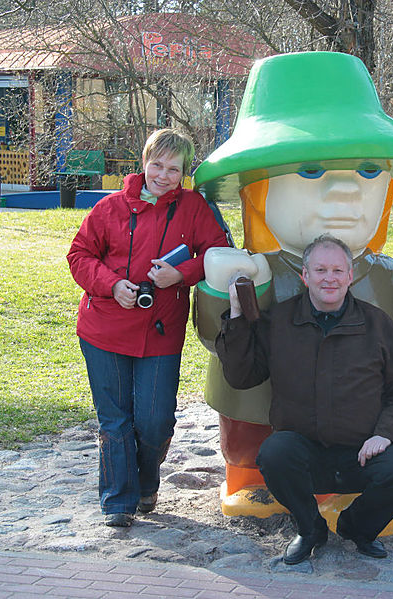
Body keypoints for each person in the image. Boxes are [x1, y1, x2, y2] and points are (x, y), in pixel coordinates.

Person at [190, 51, 393, 517]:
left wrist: (392, 422)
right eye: (309, 172)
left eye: (367, 172)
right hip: (275, 412)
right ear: (257, 190)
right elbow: (220, 345)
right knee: (250, 417)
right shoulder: (255, 269)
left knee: (372, 419)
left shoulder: (385, 276)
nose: (343, 192)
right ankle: (250, 475)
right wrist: (221, 294)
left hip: (356, 418)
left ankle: (359, 486)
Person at [215, 234, 393, 565]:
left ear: (350, 276)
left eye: (338, 270)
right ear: (305, 276)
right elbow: (242, 376)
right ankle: (310, 529)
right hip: (303, 454)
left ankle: (357, 528)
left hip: (361, 452)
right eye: (320, 270)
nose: (329, 278)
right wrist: (238, 317)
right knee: (273, 453)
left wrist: (386, 433)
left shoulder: (376, 324)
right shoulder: (279, 321)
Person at [67, 129, 229, 527]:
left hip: (160, 331)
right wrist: (112, 285)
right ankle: (118, 502)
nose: (163, 175)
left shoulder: (193, 208)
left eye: (174, 169)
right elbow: (79, 255)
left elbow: (218, 251)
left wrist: (181, 273)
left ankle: (145, 480)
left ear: (184, 173)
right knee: (115, 420)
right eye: (157, 164)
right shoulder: (109, 208)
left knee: (155, 421)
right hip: (104, 328)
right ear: (143, 162)